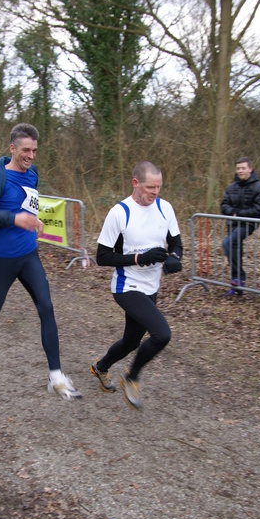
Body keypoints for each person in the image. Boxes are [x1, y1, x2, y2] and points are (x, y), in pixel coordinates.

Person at [0, 122, 82, 401]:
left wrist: (32, 218)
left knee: (46, 306)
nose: (30, 156)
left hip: (28, 254)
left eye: (35, 150)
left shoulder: (33, 174)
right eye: (25, 150)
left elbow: (26, 204)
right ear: (12, 148)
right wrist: (14, 218)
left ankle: (56, 377)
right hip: (2, 257)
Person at [90, 161, 183, 411]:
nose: (155, 192)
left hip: (151, 287)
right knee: (162, 334)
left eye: (159, 187)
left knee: (131, 342)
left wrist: (174, 258)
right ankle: (131, 377)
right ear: (135, 183)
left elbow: (176, 244)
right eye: (150, 187)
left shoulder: (165, 208)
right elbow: (102, 257)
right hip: (126, 286)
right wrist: (139, 258)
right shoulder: (120, 212)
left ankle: (100, 368)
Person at [220, 157, 260, 296]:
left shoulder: (259, 188)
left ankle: (239, 277)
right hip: (233, 223)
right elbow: (224, 205)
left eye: (243, 168)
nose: (240, 171)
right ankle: (237, 285)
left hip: (248, 224)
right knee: (235, 249)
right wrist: (232, 213)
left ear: (250, 169)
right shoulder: (232, 186)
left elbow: (258, 210)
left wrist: (238, 214)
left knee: (228, 243)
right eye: (238, 168)